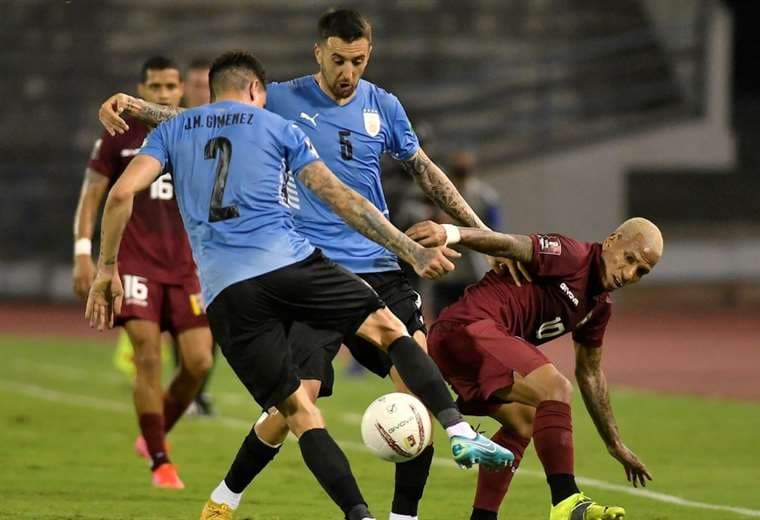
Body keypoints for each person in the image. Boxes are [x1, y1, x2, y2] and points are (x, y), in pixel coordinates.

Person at [96, 9, 528, 520]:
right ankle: (226, 495)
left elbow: (427, 173)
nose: (349, 72)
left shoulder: (384, 106)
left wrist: (488, 237)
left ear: (370, 56)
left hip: (375, 266)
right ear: (318, 52)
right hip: (309, 268)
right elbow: (210, 120)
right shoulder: (278, 99)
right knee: (289, 409)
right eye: (339, 59)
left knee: (415, 389)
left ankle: (403, 513)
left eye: (359, 61)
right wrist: (137, 106)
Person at [405, 217, 661, 520]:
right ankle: (567, 500)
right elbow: (510, 244)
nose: (629, 273)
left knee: (524, 421)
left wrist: (614, 443)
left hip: (467, 348)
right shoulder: (572, 255)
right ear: (611, 241)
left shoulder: (598, 307)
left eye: (640, 272)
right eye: (629, 259)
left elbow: (590, 374)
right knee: (555, 388)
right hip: (466, 328)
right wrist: (449, 233)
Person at [72, 56, 214, 489]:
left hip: (187, 267)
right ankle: (160, 460)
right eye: (156, 87)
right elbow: (93, 197)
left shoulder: (196, 132)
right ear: (142, 90)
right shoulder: (118, 136)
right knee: (148, 358)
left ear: (182, 91)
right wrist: (85, 254)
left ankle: (154, 433)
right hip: (135, 264)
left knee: (198, 362)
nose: (165, 94)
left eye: (172, 87)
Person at [430, 150, 503, 316]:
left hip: (473, 267)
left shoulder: (484, 196)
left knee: (473, 318)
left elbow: (496, 231)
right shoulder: (438, 193)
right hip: (448, 268)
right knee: (445, 318)